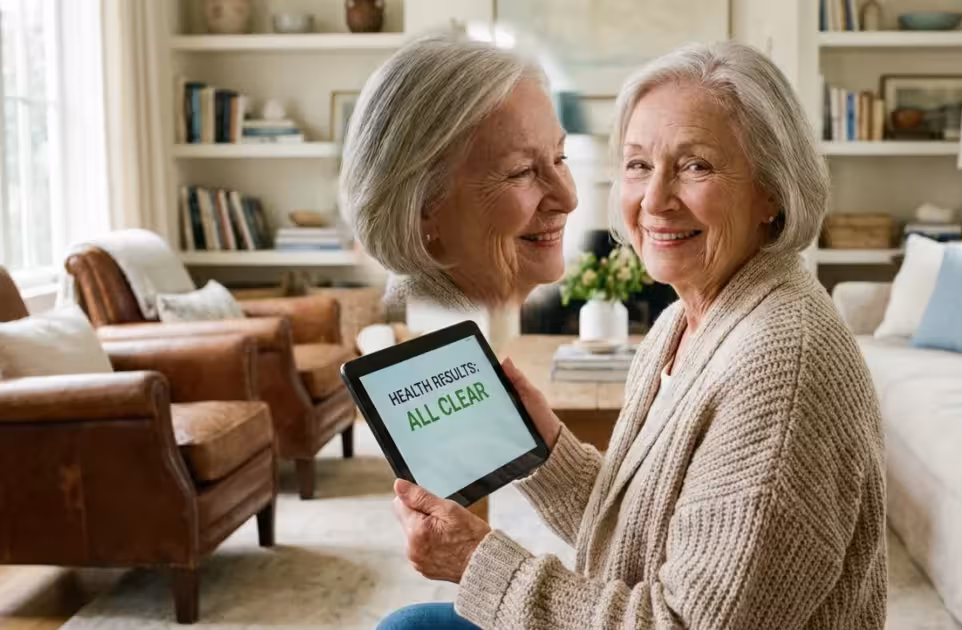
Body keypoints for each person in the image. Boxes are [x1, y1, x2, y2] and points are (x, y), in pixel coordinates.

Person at [378, 41, 887, 630]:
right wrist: (545, 453)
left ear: (771, 190)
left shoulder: (781, 364)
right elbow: (652, 533)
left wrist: (477, 562)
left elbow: (680, 623)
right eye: (639, 164)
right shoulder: (682, 319)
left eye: (695, 165)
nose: (654, 201)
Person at [340, 31, 577, 319]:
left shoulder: (466, 331)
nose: (568, 199)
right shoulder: (428, 349)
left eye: (559, 158)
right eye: (521, 172)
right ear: (425, 207)